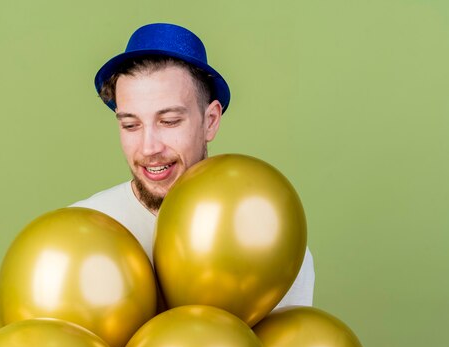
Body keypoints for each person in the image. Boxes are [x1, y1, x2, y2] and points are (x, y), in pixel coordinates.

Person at [71, 23, 314, 307]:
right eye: (130, 124)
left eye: (169, 121)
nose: (149, 147)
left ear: (210, 121)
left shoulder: (269, 242)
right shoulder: (82, 231)